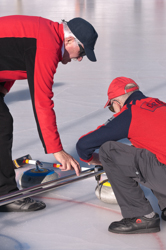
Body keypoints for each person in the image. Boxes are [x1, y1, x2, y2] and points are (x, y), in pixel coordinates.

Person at [0, 15, 98, 212]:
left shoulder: (44, 33)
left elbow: (10, 58)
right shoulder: (47, 45)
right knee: (2, 124)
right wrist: (57, 150)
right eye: (82, 52)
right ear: (69, 40)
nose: (79, 58)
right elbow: (42, 101)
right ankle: (6, 194)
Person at [76, 76, 166, 234]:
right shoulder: (159, 104)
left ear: (116, 103)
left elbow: (83, 145)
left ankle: (141, 215)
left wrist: (95, 159)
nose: (114, 111)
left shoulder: (131, 111)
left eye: (112, 108)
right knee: (149, 148)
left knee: (108, 150)